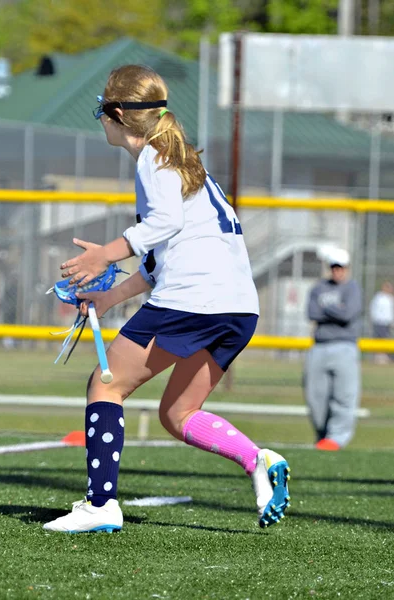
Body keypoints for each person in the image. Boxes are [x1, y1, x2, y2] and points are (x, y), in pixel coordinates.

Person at [43, 65, 290, 533]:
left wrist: (105, 256)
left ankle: (100, 506)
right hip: (237, 307)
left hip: (194, 300)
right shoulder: (182, 163)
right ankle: (257, 460)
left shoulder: (153, 158)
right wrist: (110, 298)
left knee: (106, 385)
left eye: (102, 113)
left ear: (116, 114)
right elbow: (162, 261)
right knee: (178, 414)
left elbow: (164, 225)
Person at [304, 249, 362, 451]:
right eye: (334, 267)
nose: (338, 271)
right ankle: (323, 436)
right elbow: (311, 312)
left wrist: (326, 308)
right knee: (315, 398)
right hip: (319, 347)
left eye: (341, 267)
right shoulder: (318, 287)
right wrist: (336, 308)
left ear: (347, 268)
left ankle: (337, 439)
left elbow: (348, 314)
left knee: (344, 396)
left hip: (345, 347)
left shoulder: (352, 288)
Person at [369, 281, 394, 364]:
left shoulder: (390, 298)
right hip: (379, 322)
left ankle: (385, 356)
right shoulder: (378, 297)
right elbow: (373, 309)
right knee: (379, 339)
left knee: (386, 339)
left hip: (387, 322)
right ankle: (379, 357)